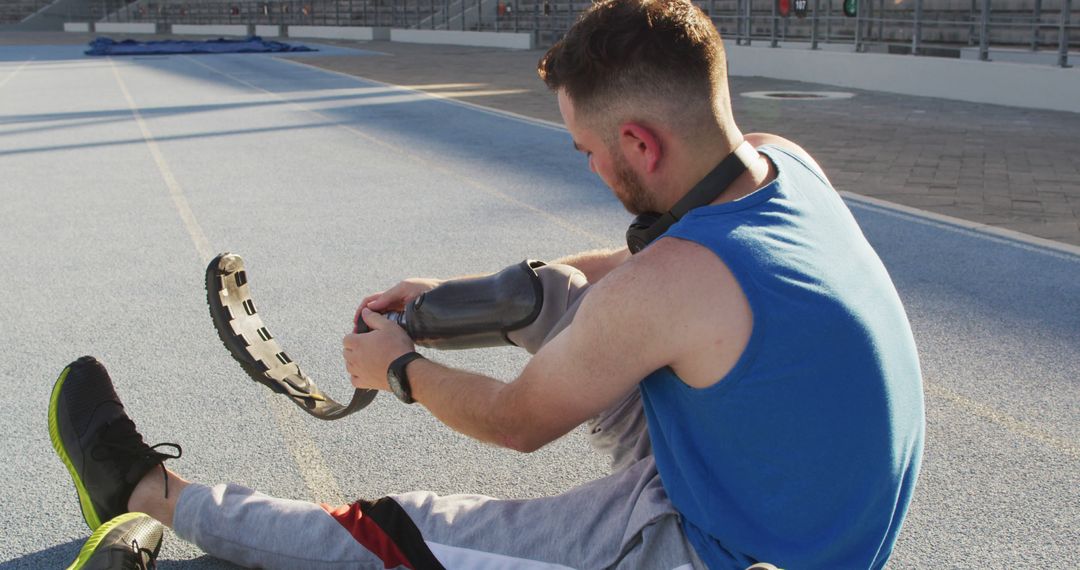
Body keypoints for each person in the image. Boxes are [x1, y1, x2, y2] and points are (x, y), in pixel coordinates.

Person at [49, 1, 924, 568]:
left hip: (723, 549)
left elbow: (518, 425)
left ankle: (143, 493)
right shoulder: (781, 166)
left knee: (405, 535)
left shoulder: (680, 284)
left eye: (589, 152)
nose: (587, 167)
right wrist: (437, 309)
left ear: (641, 144)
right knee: (557, 296)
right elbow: (617, 279)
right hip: (783, 496)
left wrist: (395, 369)